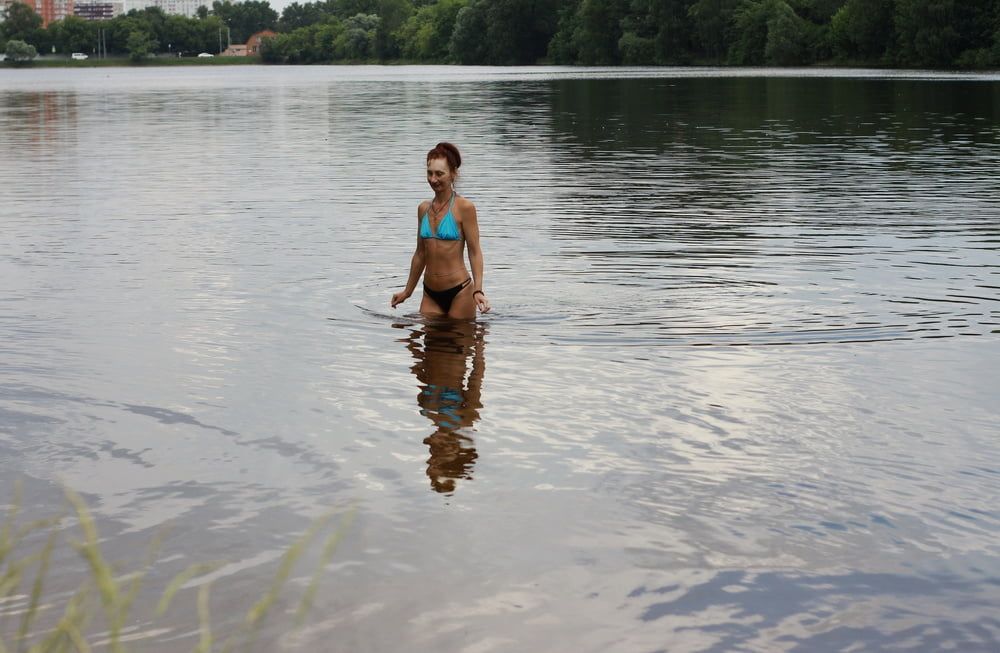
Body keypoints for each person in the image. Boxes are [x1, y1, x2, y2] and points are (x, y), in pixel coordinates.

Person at [390, 143, 491, 319]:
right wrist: (408, 291)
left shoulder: (464, 207)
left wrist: (478, 290)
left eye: (439, 174)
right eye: (430, 173)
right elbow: (420, 254)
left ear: (453, 174)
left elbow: (475, 252)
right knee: (428, 344)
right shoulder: (423, 209)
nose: (433, 179)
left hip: (459, 291)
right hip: (430, 293)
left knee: (461, 340)